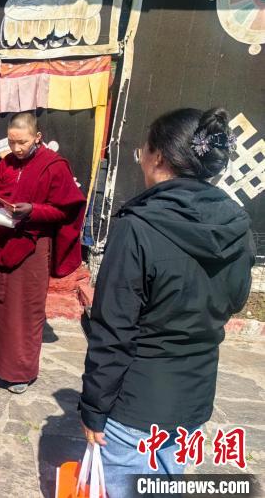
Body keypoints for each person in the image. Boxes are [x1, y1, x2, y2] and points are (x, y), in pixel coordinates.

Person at [79, 108, 254, 496]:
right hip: (193, 398)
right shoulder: (237, 224)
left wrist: (93, 407)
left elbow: (113, 332)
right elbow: (236, 299)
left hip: (135, 405)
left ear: (157, 156)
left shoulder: (137, 226)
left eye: (142, 150)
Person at [0, 111, 86, 393]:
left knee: (22, 309)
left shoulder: (54, 166)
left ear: (37, 137)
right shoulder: (6, 163)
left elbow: (65, 210)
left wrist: (33, 210)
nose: (16, 148)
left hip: (31, 246)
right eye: (12, 142)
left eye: (23, 142)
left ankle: (18, 372)